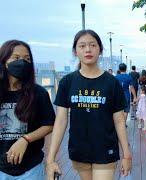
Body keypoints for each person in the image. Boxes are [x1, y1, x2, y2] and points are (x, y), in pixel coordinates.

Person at [46, 30, 132, 180]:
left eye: (93, 45)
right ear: (75, 51)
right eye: (82, 46)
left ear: (100, 49)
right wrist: (50, 158)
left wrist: (127, 154)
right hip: (79, 149)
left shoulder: (112, 83)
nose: (88, 49)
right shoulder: (67, 82)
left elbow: (119, 120)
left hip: (106, 148)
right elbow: (60, 120)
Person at [0, 40, 55, 180]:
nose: (22, 62)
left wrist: (25, 139)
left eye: (27, 59)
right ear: (4, 60)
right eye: (16, 58)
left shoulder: (39, 93)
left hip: (31, 168)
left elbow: (48, 124)